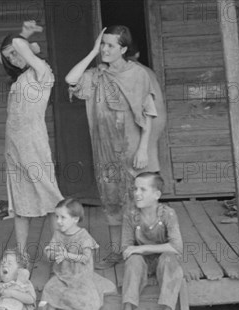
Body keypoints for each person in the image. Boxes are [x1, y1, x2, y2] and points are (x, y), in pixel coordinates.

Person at [65, 25, 165, 269]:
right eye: (103, 44)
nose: (105, 49)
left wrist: (143, 149)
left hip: (132, 151)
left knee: (138, 199)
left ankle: (142, 252)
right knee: (111, 201)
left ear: (123, 48)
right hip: (105, 151)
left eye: (111, 45)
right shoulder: (96, 75)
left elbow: (149, 113)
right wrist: (92, 52)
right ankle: (117, 252)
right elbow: (70, 79)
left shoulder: (138, 75)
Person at [0, 20, 63, 264]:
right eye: (10, 57)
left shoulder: (42, 70)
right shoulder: (20, 78)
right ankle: (22, 252)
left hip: (33, 142)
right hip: (13, 146)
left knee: (50, 193)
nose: (14, 58)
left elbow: (16, 44)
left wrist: (26, 38)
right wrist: (18, 48)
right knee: (19, 199)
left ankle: (58, 246)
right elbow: (3, 53)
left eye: (17, 53)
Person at [118, 172, 184, 310]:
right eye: (135, 189)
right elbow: (126, 248)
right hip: (141, 263)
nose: (136, 193)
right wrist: (136, 252)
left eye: (143, 189)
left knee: (169, 259)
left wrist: (141, 248)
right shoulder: (130, 215)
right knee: (133, 260)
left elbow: (176, 247)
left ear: (156, 195)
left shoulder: (168, 214)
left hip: (163, 259)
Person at [42, 198, 116, 310]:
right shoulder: (58, 234)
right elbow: (50, 250)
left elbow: (86, 257)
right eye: (57, 217)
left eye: (63, 217)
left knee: (90, 297)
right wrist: (51, 253)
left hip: (81, 275)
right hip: (63, 275)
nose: (58, 221)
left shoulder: (83, 236)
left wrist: (67, 256)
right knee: (48, 290)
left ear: (75, 219)